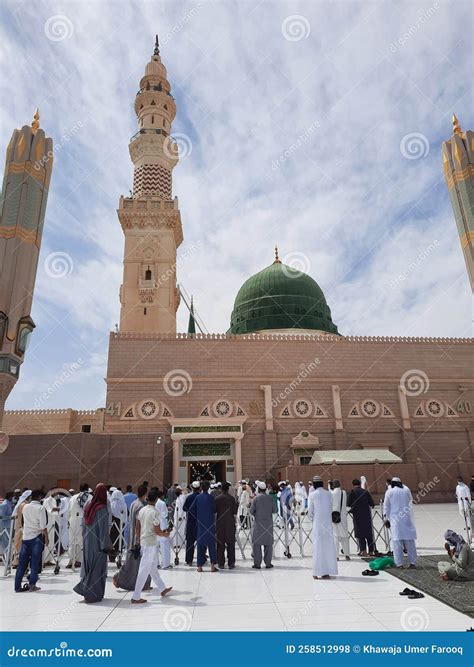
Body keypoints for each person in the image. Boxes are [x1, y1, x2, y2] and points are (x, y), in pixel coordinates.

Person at [131, 488, 172, 604]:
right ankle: (136, 596)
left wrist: (138, 538)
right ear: (157, 499)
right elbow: (158, 531)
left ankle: (162, 588)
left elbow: (137, 526)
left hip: (145, 542)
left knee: (153, 567)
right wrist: (166, 534)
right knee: (144, 570)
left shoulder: (142, 510)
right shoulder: (155, 512)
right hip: (150, 544)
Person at [112, 484, 151, 591]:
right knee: (132, 562)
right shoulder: (141, 506)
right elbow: (139, 525)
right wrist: (139, 539)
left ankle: (144, 583)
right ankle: (118, 578)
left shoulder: (135, 503)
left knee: (138, 562)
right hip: (138, 538)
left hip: (133, 536)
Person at [14, 489, 48, 592]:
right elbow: (43, 526)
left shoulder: (25, 507)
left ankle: (17, 586)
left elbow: (24, 522)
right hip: (37, 538)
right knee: (34, 562)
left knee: (22, 563)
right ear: (39, 497)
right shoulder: (41, 508)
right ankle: (32, 585)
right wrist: (47, 538)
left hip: (26, 538)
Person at [308, 476, 338, 579]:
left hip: (318, 525)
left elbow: (310, 512)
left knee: (317, 548)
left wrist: (315, 519)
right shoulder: (329, 494)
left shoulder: (312, 495)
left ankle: (316, 572)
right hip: (328, 525)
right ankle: (326, 572)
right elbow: (330, 508)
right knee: (327, 547)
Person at [383, 477, 417, 568]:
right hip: (406, 518)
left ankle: (399, 564)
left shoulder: (389, 492)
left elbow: (386, 506)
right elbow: (411, 501)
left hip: (395, 520)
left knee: (397, 542)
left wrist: (386, 518)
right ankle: (413, 563)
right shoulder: (406, 490)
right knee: (410, 541)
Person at [347, 479, 376, 556]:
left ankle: (363, 550)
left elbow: (349, 503)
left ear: (353, 484)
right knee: (368, 533)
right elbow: (372, 503)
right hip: (366, 514)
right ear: (360, 484)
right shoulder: (365, 492)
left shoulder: (352, 492)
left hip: (357, 515)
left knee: (360, 533)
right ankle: (371, 550)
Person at [194, 481, 218, 572]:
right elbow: (215, 509)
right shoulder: (211, 498)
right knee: (211, 545)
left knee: (200, 545)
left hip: (200, 523)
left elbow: (192, 509)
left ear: (201, 487)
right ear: (208, 488)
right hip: (210, 524)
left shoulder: (197, 497)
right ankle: (212, 565)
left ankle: (199, 566)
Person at [249, 480, 274, 569]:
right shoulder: (270, 498)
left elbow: (251, 511)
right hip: (268, 524)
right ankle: (268, 563)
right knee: (268, 544)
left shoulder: (256, 498)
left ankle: (257, 564)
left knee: (257, 544)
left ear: (258, 489)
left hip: (258, 524)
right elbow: (274, 510)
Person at [67, 483, 91, 569]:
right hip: (83, 520)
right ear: (87, 489)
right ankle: (80, 561)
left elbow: (68, 510)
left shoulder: (73, 498)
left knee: (72, 541)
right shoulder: (90, 497)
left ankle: (71, 560)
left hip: (73, 520)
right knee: (82, 541)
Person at [215, 481, 238, 569]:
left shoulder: (217, 499)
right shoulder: (232, 499)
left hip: (220, 524)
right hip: (230, 523)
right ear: (228, 489)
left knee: (220, 544)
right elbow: (234, 511)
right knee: (230, 544)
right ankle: (231, 563)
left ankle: (221, 563)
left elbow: (215, 510)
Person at [331, 480, 350, 560]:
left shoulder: (332, 493)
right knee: (345, 537)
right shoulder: (344, 492)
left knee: (336, 537)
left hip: (335, 517)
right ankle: (347, 555)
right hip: (343, 517)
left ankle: (336, 556)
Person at [12, 490, 31, 566]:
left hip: (18, 526)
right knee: (22, 545)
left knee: (17, 544)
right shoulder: (25, 505)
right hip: (23, 527)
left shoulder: (20, 504)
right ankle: (20, 563)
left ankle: (16, 562)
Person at [183, 481, 201, 566]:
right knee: (201, 541)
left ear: (192, 488)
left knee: (190, 542)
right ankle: (201, 559)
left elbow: (184, 508)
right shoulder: (200, 497)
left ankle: (189, 560)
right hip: (200, 522)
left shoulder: (189, 497)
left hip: (191, 522)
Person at [109, 488, 127, 560]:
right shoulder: (123, 503)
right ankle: (119, 554)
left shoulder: (111, 503)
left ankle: (111, 556)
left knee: (112, 539)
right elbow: (125, 514)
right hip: (120, 524)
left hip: (113, 524)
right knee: (119, 540)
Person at [156, 489, 172, 569]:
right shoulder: (162, 503)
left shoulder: (154, 502)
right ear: (162, 496)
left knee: (155, 547)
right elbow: (165, 515)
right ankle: (166, 564)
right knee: (165, 547)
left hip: (155, 527)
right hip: (162, 526)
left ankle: (156, 564)